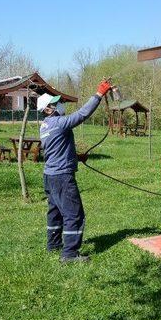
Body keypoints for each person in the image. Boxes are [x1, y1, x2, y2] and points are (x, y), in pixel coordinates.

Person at [36, 79, 112, 263]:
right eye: (56, 103)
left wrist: (76, 157)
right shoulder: (59, 123)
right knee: (74, 214)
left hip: (50, 176)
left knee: (54, 212)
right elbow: (82, 114)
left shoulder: (45, 126)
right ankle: (70, 254)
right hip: (62, 177)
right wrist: (99, 94)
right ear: (48, 109)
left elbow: (56, 150)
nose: (60, 105)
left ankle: (53, 245)